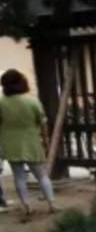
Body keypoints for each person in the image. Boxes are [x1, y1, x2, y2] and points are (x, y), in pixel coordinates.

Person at [0, 69, 56, 221]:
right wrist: (46, 140)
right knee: (41, 175)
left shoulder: (1, 102)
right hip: (31, 141)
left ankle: (27, 206)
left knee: (19, 177)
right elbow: (42, 123)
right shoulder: (32, 101)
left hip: (10, 143)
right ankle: (51, 203)